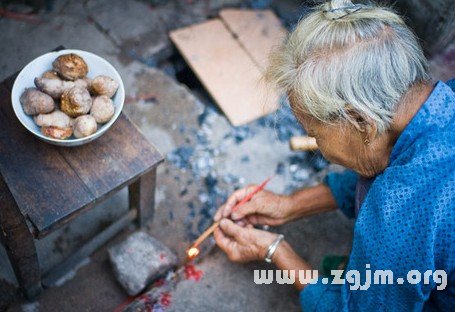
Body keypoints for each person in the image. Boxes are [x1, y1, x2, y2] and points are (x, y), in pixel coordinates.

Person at [213, 0, 455, 310]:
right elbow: (381, 158)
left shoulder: (400, 214)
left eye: (314, 134)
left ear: (361, 122)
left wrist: (276, 251)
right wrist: (288, 206)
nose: (318, 146)